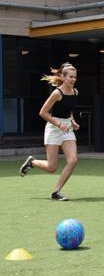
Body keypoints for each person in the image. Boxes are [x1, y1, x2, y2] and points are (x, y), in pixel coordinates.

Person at [19, 63, 80, 201]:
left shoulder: (75, 92)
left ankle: (56, 192)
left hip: (67, 128)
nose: (73, 79)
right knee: (52, 167)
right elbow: (43, 112)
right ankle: (32, 162)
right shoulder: (57, 93)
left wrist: (72, 121)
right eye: (70, 77)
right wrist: (58, 124)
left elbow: (68, 110)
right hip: (53, 128)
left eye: (75, 77)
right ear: (63, 77)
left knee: (73, 160)